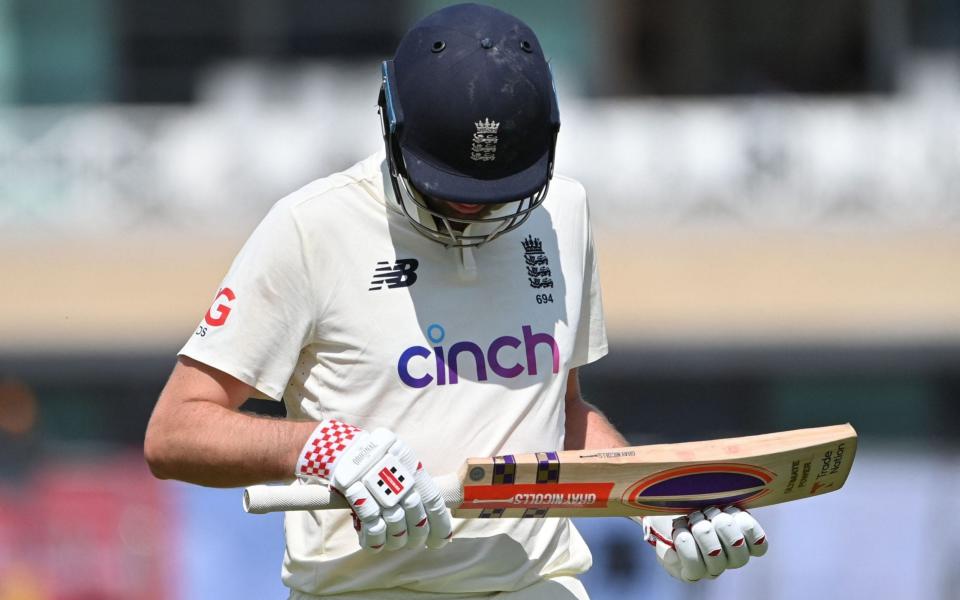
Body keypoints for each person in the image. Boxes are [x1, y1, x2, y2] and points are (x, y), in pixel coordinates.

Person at [143, 4, 768, 598]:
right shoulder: (311, 227)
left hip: (537, 585)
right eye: (449, 188)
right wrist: (318, 448)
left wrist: (655, 502)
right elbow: (174, 433)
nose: (472, 209)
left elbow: (561, 414)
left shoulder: (563, 213)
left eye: (495, 193)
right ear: (390, 119)